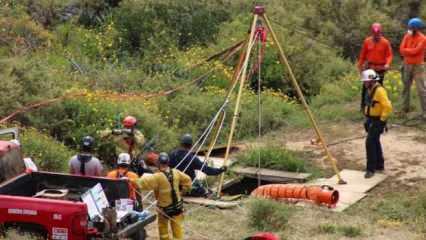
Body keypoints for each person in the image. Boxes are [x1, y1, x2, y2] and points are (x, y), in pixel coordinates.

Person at [136, 152, 192, 240]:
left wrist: (130, 180)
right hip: (178, 207)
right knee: (178, 230)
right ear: (168, 162)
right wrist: (182, 192)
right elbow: (188, 180)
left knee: (163, 230)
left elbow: (141, 183)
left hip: (164, 210)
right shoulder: (176, 172)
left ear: (158, 163)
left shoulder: (157, 177)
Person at [361, 69, 392, 178]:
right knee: (375, 141)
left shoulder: (379, 91)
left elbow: (387, 106)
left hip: (378, 120)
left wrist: (382, 120)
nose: (364, 83)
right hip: (371, 119)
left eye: (365, 81)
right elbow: (369, 105)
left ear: (371, 81)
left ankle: (371, 169)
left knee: (369, 142)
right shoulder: (369, 89)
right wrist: (366, 118)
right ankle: (379, 164)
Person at [357, 23, 393, 110]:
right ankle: (363, 106)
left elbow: (389, 55)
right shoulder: (367, 41)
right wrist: (360, 65)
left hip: (380, 68)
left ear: (381, 32)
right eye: (374, 33)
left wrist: (387, 63)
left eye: (378, 33)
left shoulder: (385, 42)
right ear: (371, 32)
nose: (376, 35)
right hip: (369, 68)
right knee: (366, 87)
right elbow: (363, 55)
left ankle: (379, 106)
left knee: (378, 88)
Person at [399, 17, 426, 118]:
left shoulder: (423, 39)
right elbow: (401, 49)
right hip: (407, 65)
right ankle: (405, 108)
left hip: (418, 66)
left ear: (416, 28)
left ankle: (425, 112)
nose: (409, 29)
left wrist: (407, 51)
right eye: (409, 27)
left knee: (421, 89)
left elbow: (416, 51)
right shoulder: (407, 36)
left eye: (411, 28)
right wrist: (408, 51)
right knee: (406, 87)